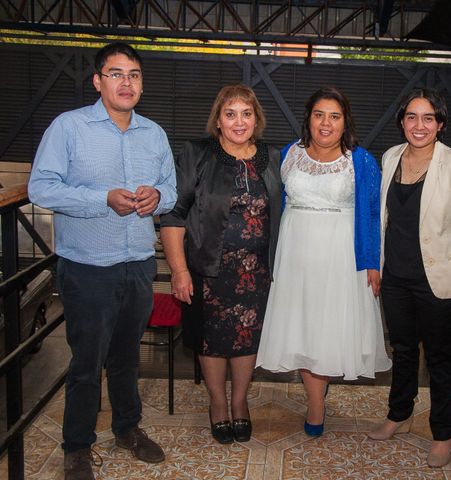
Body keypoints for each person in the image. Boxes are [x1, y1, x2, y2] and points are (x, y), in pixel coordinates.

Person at [28, 42, 176, 480]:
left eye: (133, 74)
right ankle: (76, 446)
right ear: (98, 81)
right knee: (86, 363)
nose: (126, 82)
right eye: (116, 73)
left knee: (128, 358)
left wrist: (157, 197)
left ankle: (127, 429)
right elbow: (42, 187)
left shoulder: (154, 134)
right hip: (88, 266)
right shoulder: (68, 128)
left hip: (136, 263)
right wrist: (102, 199)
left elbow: (170, 189)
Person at [256, 86, 391, 436]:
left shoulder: (360, 160)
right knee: (302, 327)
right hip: (295, 254)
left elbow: (372, 215)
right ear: (309, 120)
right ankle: (316, 398)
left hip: (340, 256)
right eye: (319, 115)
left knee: (328, 329)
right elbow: (273, 205)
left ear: (345, 122)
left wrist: (372, 261)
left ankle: (316, 401)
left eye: (334, 116)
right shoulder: (287, 154)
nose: (326, 123)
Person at [160, 84, 281, 445]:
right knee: (210, 341)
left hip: (258, 272)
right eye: (230, 114)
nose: (238, 121)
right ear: (218, 119)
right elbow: (173, 214)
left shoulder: (272, 157)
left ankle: (240, 403)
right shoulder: (197, 153)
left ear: (256, 118)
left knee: (247, 338)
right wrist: (179, 270)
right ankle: (217, 403)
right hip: (207, 269)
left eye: (246, 113)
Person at [368, 88, 451, 468]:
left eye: (428, 118)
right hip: (396, 278)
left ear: (440, 124)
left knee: (439, 357)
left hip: (440, 282)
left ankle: (443, 433)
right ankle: (398, 414)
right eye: (412, 117)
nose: (419, 125)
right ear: (402, 122)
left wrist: (444, 258)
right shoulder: (390, 157)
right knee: (402, 349)